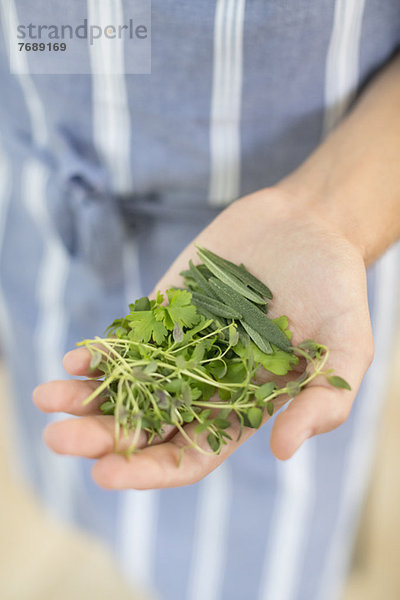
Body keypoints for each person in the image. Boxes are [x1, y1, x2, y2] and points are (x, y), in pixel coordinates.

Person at [1, 2, 399, 599]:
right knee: (86, 467)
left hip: (299, 216)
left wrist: (332, 215)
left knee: (242, 564)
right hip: (56, 197)